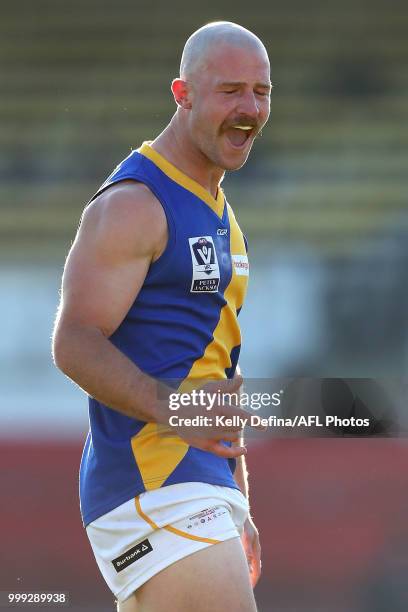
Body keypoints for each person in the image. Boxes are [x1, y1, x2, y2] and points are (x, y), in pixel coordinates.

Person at [52, 20, 271, 612]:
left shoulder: (224, 217)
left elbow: (220, 377)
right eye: (231, 91)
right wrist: (172, 409)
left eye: (261, 91)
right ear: (183, 94)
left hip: (199, 484)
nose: (249, 107)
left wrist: (239, 497)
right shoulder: (134, 204)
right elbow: (73, 341)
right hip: (153, 484)